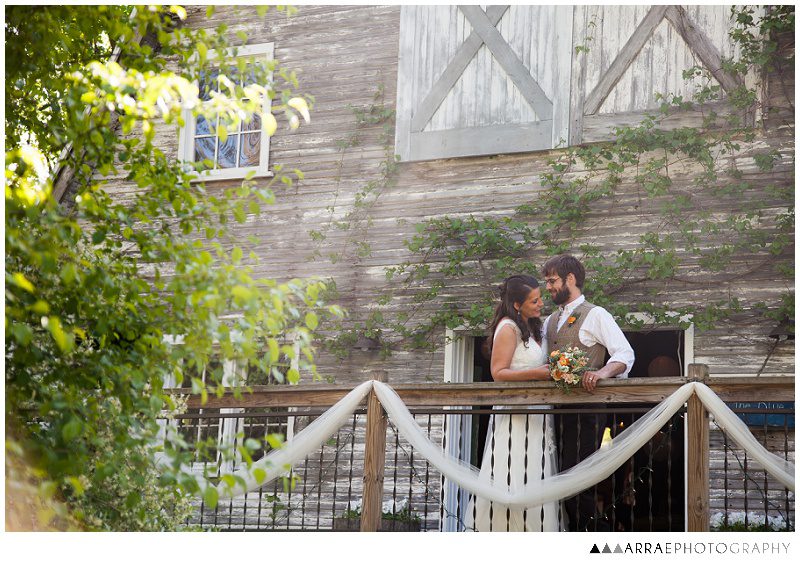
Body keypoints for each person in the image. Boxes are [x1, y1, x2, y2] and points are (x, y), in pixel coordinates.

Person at [541, 254, 635, 531]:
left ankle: (593, 539)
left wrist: (603, 373)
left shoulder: (596, 314)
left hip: (587, 412)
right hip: (551, 411)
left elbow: (625, 353)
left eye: (552, 281)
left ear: (570, 279)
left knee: (577, 480)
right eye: (547, 282)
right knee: (557, 475)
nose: (548, 287)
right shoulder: (549, 321)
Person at [466, 275, 562, 531]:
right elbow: (499, 372)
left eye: (540, 297)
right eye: (534, 300)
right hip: (515, 416)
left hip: (537, 413)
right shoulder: (508, 328)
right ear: (517, 304)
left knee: (536, 473)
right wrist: (539, 373)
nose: (541, 303)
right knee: (515, 471)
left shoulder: (529, 326)